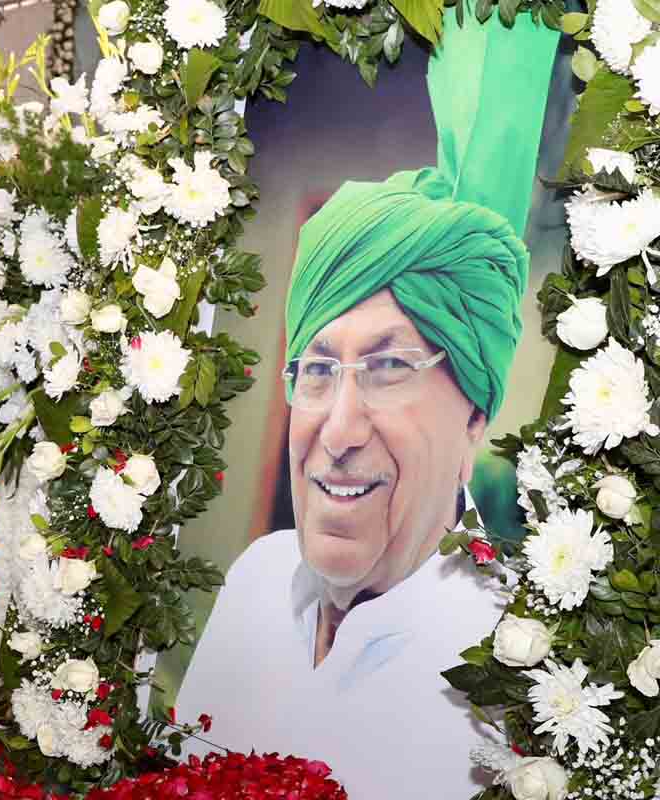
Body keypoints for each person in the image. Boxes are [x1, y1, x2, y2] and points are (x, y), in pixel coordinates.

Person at [176, 11, 560, 799]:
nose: (338, 431)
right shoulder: (256, 581)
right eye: (317, 370)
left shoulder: (520, 672)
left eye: (387, 366)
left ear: (475, 413)